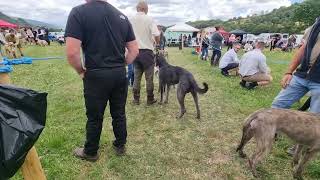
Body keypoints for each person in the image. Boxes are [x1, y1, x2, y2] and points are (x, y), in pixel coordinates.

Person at [65, 0, 139, 161]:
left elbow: (72, 53)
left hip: (96, 74)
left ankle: (91, 152)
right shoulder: (122, 16)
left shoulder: (79, 12)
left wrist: (81, 71)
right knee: (119, 113)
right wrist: (122, 64)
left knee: (94, 116)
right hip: (119, 74)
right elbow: (134, 49)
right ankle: (120, 145)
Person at [129, 1, 160, 105]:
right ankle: (150, 99)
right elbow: (156, 33)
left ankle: (136, 99)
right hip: (147, 52)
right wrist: (157, 42)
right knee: (149, 77)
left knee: (137, 77)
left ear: (137, 8)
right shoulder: (149, 19)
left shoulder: (131, 19)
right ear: (145, 9)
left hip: (135, 52)